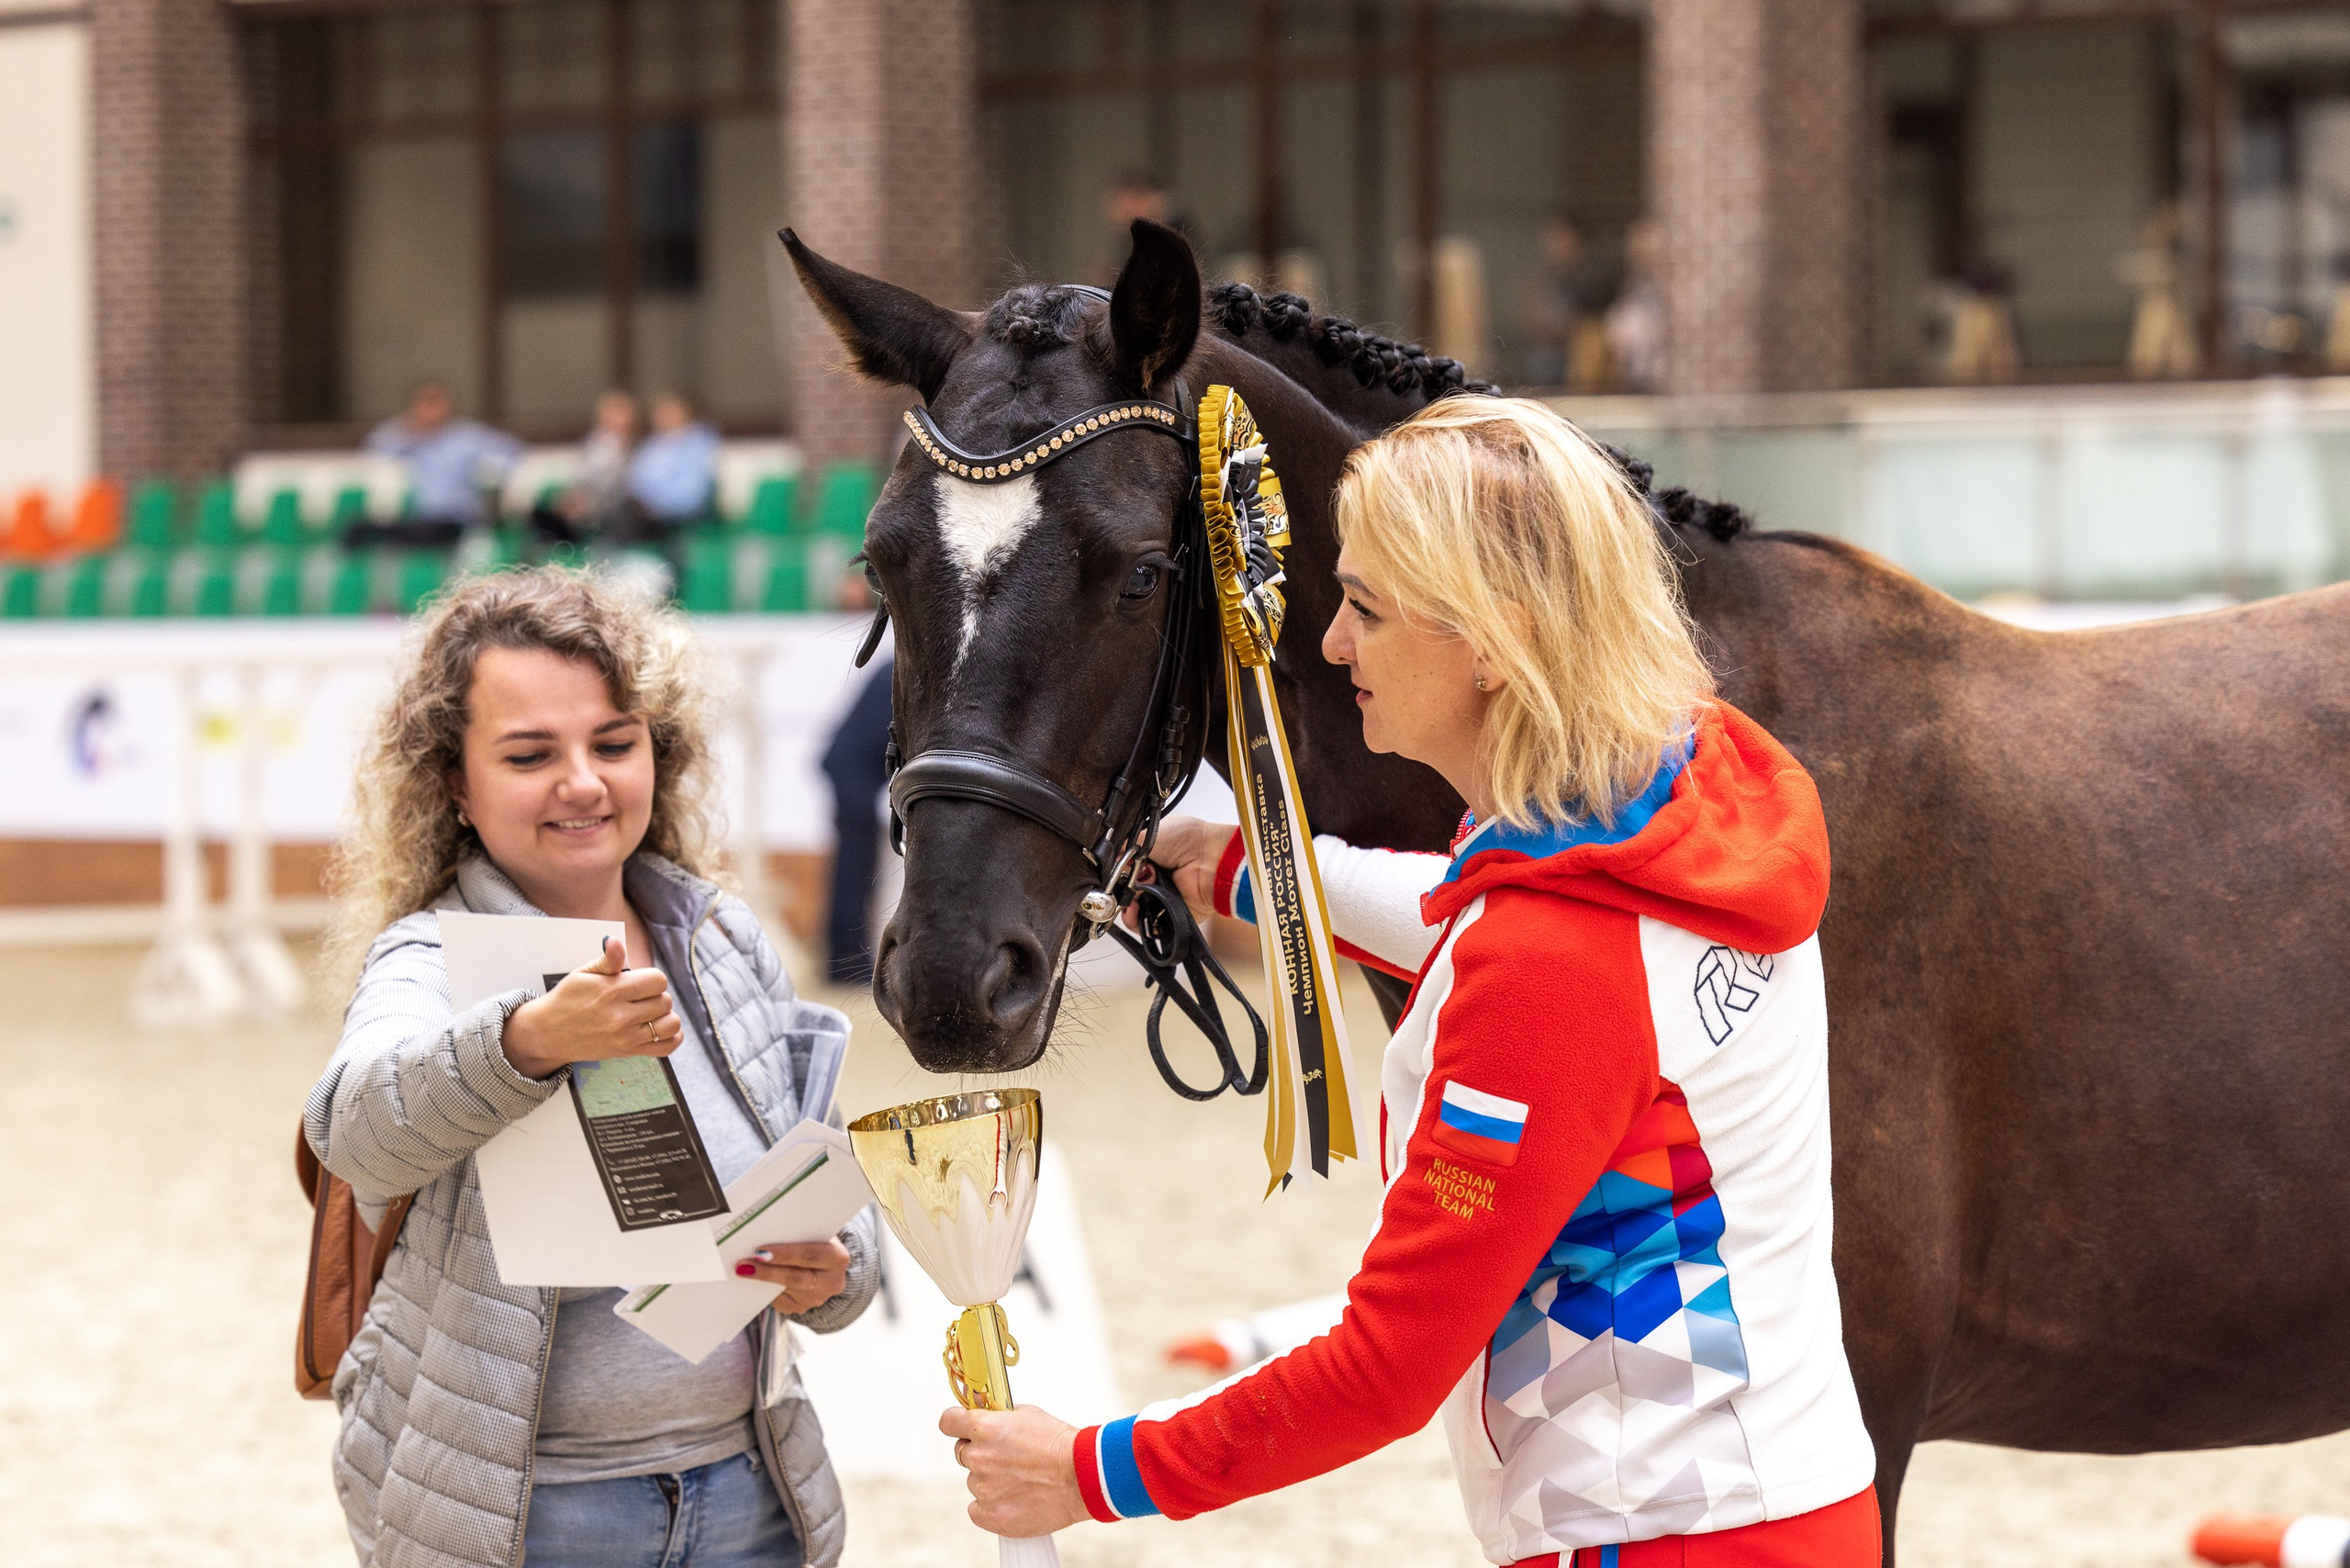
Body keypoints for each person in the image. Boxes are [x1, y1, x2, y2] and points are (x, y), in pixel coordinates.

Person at [947, 398, 1880, 1566]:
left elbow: (1386, 1368)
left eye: (1368, 608)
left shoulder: (1550, 964)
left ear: (1494, 640)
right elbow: (1488, 912)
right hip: (1776, 1496)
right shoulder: (1691, 792)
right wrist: (1248, 869)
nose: (1335, 644)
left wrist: (1089, 1472)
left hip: (1657, 1532)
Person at [306, 566, 878, 1568]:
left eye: (614, 743)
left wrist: (836, 1268)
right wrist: (523, 1043)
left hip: (750, 1495)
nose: (583, 782)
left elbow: (820, 1166)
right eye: (531, 755)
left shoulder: (720, 937)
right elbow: (352, 1131)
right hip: (532, 1524)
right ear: (455, 784)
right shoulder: (428, 957)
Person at [359, 380, 524, 546]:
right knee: (360, 531)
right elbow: (375, 445)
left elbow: (512, 449)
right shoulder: (409, 437)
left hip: (457, 520)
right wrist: (410, 427)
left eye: (436, 402)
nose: (431, 410)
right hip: (421, 518)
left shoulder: (467, 436)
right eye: (425, 403)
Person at [532, 388, 643, 545]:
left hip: (611, 511)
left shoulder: (636, 450)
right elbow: (580, 474)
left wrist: (590, 502)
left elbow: (622, 487)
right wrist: (571, 496)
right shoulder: (594, 444)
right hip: (582, 501)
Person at [629, 391, 722, 528]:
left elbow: (693, 494)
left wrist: (657, 505)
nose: (663, 416)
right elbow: (635, 482)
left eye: (670, 411)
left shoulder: (699, 444)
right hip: (645, 513)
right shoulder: (651, 445)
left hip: (681, 516)